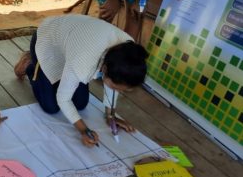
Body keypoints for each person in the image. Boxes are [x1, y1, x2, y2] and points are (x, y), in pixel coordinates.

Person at [14, 15, 148, 147]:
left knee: (80, 103)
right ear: (105, 69)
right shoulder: (85, 61)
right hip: (48, 41)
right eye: (116, 88)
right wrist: (84, 130)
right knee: (51, 107)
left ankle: (53, 73)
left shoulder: (129, 51)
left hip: (74, 45)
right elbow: (63, 98)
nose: (118, 91)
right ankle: (30, 64)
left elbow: (117, 80)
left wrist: (110, 115)